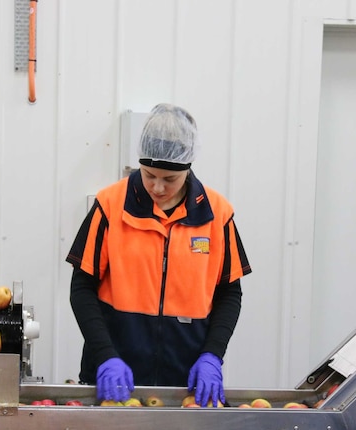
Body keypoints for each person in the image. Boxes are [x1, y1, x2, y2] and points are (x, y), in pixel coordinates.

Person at [66, 103, 252, 407]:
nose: (157, 186)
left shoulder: (217, 214)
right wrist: (104, 355)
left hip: (185, 384)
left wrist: (212, 355)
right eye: (150, 174)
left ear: (188, 168)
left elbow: (230, 293)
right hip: (115, 380)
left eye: (170, 179)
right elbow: (81, 288)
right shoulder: (110, 206)